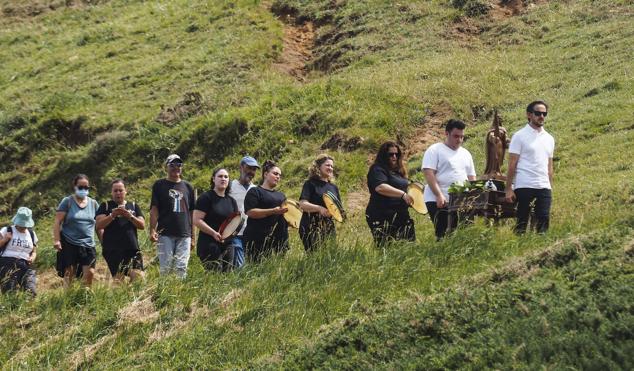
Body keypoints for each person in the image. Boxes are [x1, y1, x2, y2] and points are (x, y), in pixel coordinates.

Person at [505, 101, 555, 234]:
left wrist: (550, 187)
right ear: (529, 115)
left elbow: (549, 165)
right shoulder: (519, 136)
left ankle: (540, 251)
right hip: (524, 185)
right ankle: (516, 252)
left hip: (544, 186)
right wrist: (509, 188)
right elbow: (512, 164)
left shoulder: (549, 138)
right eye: (538, 113)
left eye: (544, 113)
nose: (542, 116)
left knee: (543, 222)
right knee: (522, 222)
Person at [422, 119, 477, 240]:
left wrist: (473, 197)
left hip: (461, 200)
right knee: (444, 234)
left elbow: (471, 177)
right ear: (446, 133)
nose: (459, 140)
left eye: (462, 137)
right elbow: (429, 173)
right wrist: (439, 195)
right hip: (439, 199)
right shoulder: (435, 150)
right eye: (456, 136)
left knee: (464, 232)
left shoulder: (466, 153)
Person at [149, 154, 195, 278]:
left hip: (184, 234)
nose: (176, 167)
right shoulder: (159, 185)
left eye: (179, 164)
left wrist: (193, 237)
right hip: (165, 234)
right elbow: (154, 209)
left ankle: (179, 295)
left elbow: (192, 213)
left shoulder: (188, 187)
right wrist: (152, 229)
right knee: (166, 268)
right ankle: (164, 295)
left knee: (181, 268)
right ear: (166, 167)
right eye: (172, 164)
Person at [53, 174, 99, 287]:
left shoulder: (93, 204)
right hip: (69, 242)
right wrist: (57, 240)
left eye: (86, 187)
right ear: (75, 186)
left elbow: (99, 224)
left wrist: (104, 240)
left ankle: (85, 296)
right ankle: (68, 299)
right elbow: (57, 222)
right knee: (70, 273)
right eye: (80, 187)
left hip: (88, 243)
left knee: (90, 273)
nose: (83, 190)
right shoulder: (67, 201)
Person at [365, 141, 415, 246]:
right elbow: (380, 187)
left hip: (401, 215)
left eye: (397, 154)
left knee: (409, 246)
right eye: (391, 154)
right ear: (383, 155)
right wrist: (403, 195)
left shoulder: (399, 172)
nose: (394, 156)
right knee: (387, 249)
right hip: (382, 215)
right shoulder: (377, 169)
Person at [95, 179, 145, 283]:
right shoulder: (105, 206)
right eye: (115, 190)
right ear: (111, 192)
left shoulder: (133, 206)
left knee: (139, 277)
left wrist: (130, 216)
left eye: (120, 190)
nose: (118, 193)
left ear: (125, 191)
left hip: (132, 248)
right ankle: (123, 298)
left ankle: (133, 297)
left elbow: (142, 225)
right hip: (113, 250)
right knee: (119, 281)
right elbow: (99, 225)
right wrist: (112, 215)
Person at [193, 168, 240, 272]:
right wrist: (214, 233)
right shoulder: (206, 197)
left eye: (226, 177)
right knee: (214, 276)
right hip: (209, 243)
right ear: (213, 179)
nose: (223, 179)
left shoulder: (232, 201)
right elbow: (196, 220)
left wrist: (231, 235)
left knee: (227, 276)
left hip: (228, 244)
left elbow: (235, 222)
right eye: (220, 176)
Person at [243, 160, 289, 262]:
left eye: (279, 175)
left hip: (279, 240)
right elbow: (250, 212)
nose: (278, 177)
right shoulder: (255, 191)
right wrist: (273, 211)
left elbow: (286, 215)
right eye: (275, 173)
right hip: (256, 240)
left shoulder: (281, 196)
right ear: (266, 174)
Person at [298, 154, 341, 252]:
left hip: (329, 227)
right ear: (318, 167)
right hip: (310, 227)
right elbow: (303, 204)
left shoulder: (333, 187)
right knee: (315, 260)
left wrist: (334, 213)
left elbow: (338, 209)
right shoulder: (310, 184)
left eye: (332, 166)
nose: (330, 168)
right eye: (327, 165)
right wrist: (319, 208)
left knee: (330, 257)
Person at [227, 156, 259, 268]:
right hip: (235, 233)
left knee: (251, 265)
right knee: (240, 266)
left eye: (254, 169)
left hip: (252, 233)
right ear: (241, 167)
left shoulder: (256, 189)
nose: (251, 172)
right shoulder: (230, 186)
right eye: (249, 168)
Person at [0, 207, 38, 296]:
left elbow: (34, 251)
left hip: (25, 265)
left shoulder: (32, 234)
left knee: (31, 291)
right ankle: (11, 309)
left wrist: (32, 257)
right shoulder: (7, 230)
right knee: (9, 292)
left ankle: (29, 308)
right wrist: (5, 239)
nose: (22, 226)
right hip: (7, 264)